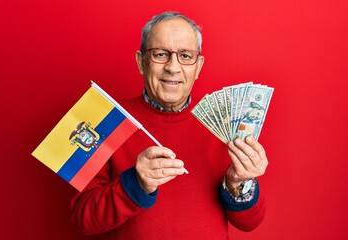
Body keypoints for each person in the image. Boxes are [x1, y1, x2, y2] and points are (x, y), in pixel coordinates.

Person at [71, 11, 268, 239]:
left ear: (198, 66)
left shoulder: (224, 125)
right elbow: (82, 219)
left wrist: (239, 182)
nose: (173, 67)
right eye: (161, 54)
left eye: (185, 56)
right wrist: (135, 184)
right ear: (141, 62)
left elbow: (249, 223)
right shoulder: (106, 121)